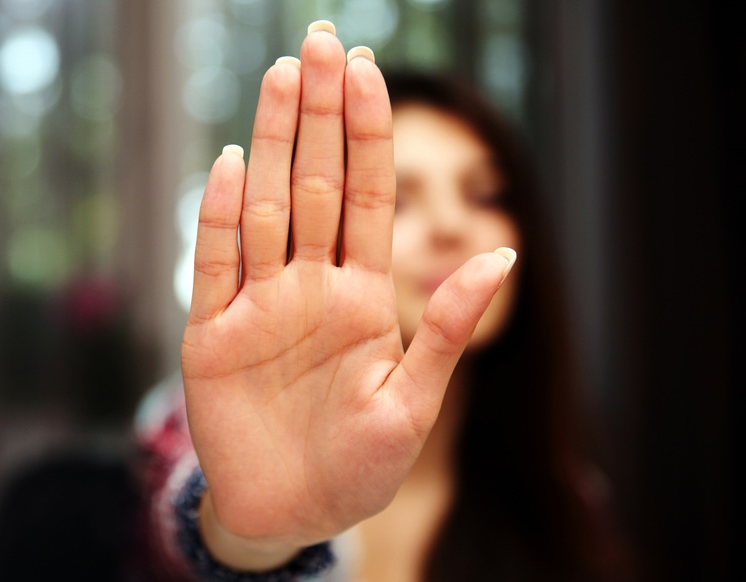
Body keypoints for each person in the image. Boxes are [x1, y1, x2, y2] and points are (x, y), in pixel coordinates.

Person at [138, 20, 635, 582]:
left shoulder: (567, 501)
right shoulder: (190, 429)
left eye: (486, 195)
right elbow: (171, 527)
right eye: (399, 198)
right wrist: (252, 538)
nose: (451, 224)